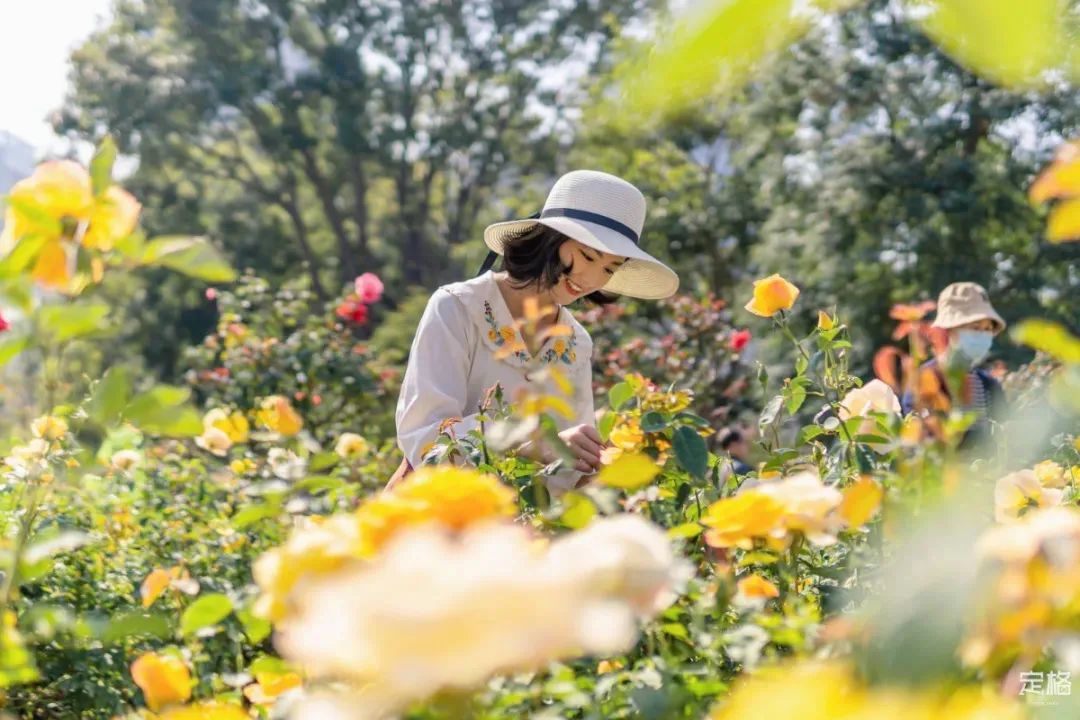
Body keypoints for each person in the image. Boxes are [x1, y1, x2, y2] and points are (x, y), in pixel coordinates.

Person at [392, 170, 679, 493]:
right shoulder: (458, 307)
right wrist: (532, 443)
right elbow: (425, 437)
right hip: (440, 517)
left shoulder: (576, 342)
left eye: (609, 269)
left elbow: (569, 468)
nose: (590, 279)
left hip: (523, 531)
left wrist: (604, 463)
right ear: (551, 239)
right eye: (587, 256)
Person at [901, 281, 1007, 448]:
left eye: (987, 329)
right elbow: (919, 442)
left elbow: (1003, 439)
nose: (982, 335)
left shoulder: (989, 386)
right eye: (975, 327)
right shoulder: (925, 380)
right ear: (948, 330)